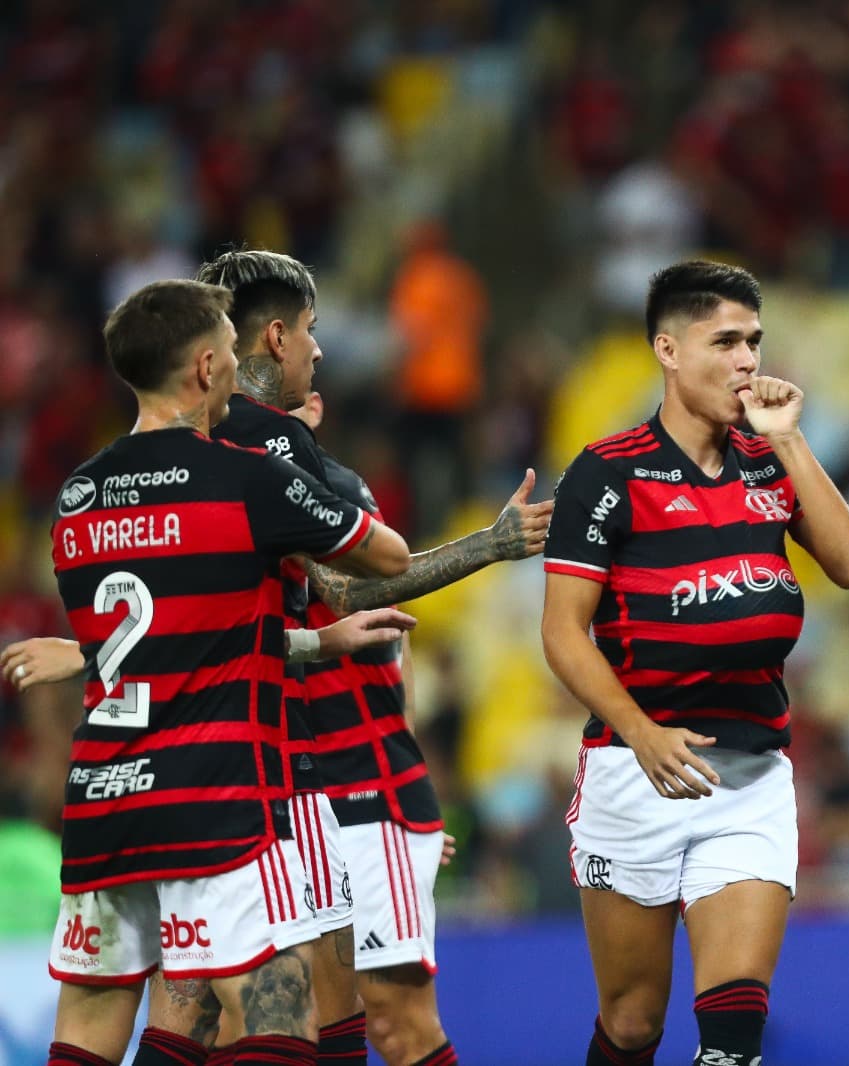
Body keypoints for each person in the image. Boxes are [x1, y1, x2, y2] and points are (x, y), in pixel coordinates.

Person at [180, 249, 548, 1066]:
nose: (320, 352)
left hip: (343, 773)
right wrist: (490, 544)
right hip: (268, 776)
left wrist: (403, 787)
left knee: (353, 1018)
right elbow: (352, 593)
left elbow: (376, 623)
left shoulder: (310, 472)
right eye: (310, 333)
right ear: (274, 339)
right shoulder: (224, 461)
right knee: (249, 1013)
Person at [44, 279, 410, 1066]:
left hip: (105, 796)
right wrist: (299, 470)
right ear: (210, 367)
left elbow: (155, 632)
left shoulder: (75, 497)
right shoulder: (246, 479)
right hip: (219, 795)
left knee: (88, 1023)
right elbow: (388, 555)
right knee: (277, 1007)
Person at [542, 260, 849, 1066]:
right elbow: (561, 633)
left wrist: (789, 440)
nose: (746, 361)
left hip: (751, 777)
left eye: (754, 342)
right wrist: (641, 731)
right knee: (632, 1024)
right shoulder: (607, 471)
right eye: (724, 341)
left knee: (733, 1032)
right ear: (667, 348)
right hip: (634, 771)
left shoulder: (770, 462)